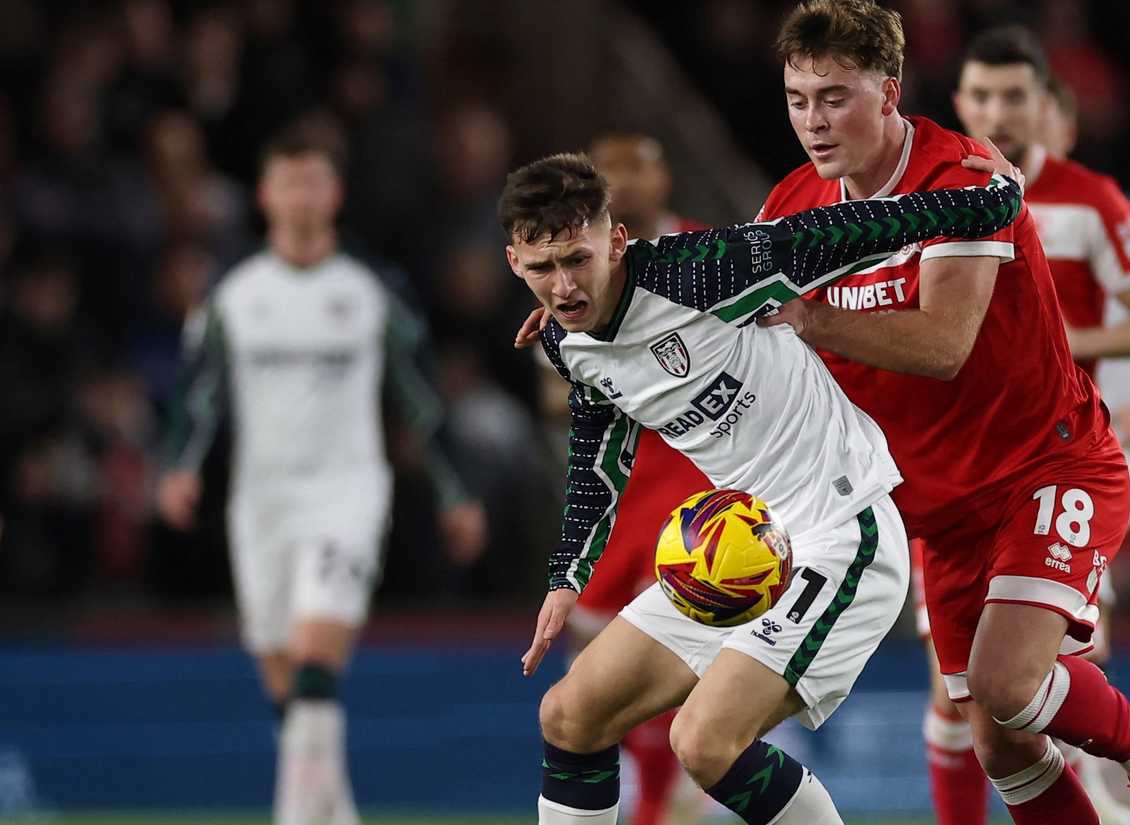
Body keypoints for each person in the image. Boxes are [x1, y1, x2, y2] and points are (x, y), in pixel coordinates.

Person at [752, 3, 1130, 822]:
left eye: (835, 97)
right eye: (797, 99)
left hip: (1048, 463)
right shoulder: (790, 209)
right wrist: (599, 308)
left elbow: (944, 341)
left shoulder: (963, 182)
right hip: (941, 512)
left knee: (1005, 684)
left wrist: (811, 320)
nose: (813, 122)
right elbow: (728, 304)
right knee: (999, 739)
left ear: (889, 93)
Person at [504, 150, 1023, 825]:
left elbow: (852, 228)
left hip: (843, 532)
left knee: (704, 741)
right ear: (515, 261)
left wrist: (993, 203)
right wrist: (568, 572)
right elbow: (599, 447)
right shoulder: (565, 340)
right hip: (746, 554)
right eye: (543, 268)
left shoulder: (703, 272)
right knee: (570, 715)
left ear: (616, 240)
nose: (565, 285)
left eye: (578, 258)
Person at [156, 129, 488, 825]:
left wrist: (455, 492)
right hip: (261, 500)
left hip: (348, 493)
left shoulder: (371, 289)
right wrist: (179, 468)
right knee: (288, 685)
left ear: (333, 194)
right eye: (289, 183)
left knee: (314, 658)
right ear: (265, 195)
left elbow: (421, 394)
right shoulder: (233, 294)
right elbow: (198, 393)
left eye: (314, 182)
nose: (302, 197)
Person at [545, 133, 715, 825]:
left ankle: (660, 798)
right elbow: (555, 393)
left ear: (662, 176)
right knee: (590, 666)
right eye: (609, 173)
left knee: (662, 655)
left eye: (637, 168)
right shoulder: (574, 273)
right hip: (615, 496)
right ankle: (634, 792)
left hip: (693, 487)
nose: (625, 184)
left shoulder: (708, 254)